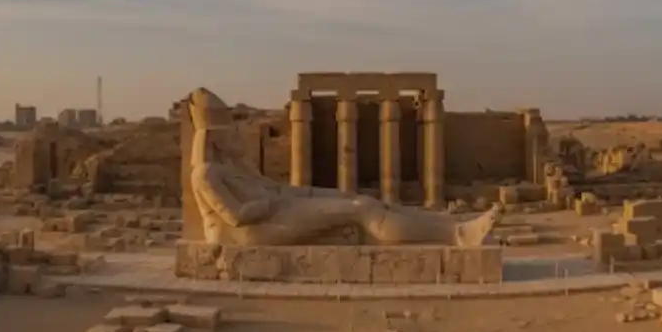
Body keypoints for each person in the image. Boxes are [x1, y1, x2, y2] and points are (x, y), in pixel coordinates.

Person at [186, 87, 501, 247]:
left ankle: (448, 223)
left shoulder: (238, 169)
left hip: (273, 213)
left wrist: (322, 194)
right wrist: (271, 202)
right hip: (252, 232)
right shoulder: (207, 173)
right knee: (361, 209)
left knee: (366, 200)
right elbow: (236, 217)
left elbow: (282, 190)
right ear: (214, 138)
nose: (238, 137)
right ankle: (455, 234)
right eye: (231, 134)